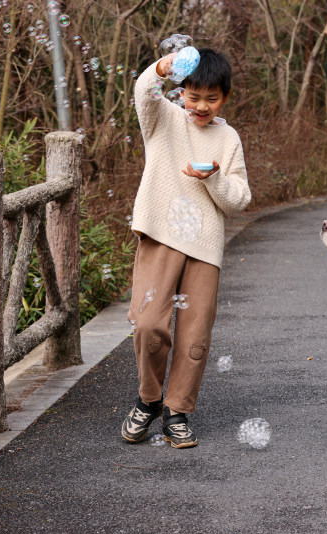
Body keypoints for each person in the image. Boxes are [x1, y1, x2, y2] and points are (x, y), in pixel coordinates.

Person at [120, 48, 251, 448]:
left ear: (224, 98)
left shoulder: (228, 138)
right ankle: (149, 400)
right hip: (161, 234)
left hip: (205, 247)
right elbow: (144, 90)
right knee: (148, 324)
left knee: (195, 336)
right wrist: (162, 67)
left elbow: (240, 199)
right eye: (193, 96)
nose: (201, 106)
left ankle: (178, 410)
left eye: (211, 98)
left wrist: (212, 178)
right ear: (180, 93)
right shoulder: (164, 118)